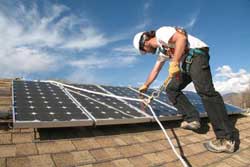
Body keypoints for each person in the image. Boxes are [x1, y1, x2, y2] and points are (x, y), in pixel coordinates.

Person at [133, 26, 236, 153]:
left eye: (144, 49)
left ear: (144, 41)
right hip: (186, 64)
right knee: (171, 88)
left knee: (206, 92)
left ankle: (226, 139)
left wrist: (175, 62)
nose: (147, 52)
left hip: (196, 55)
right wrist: (146, 85)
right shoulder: (163, 51)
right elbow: (155, 70)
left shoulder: (161, 33)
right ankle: (192, 118)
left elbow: (181, 38)